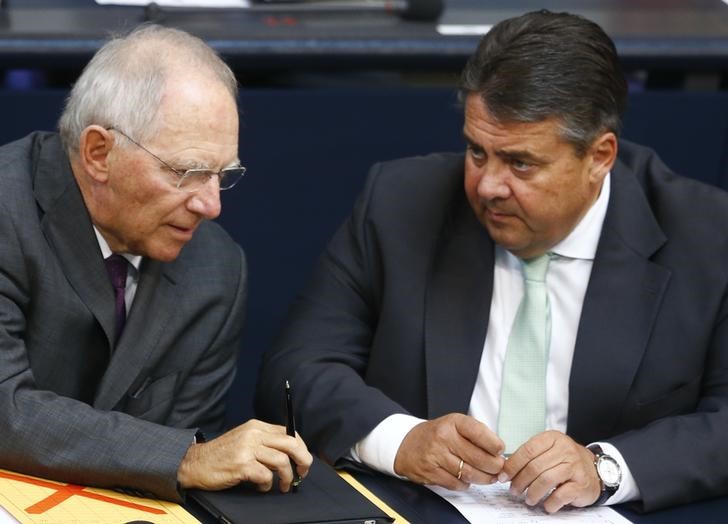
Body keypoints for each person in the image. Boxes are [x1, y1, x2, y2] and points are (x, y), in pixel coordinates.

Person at [255, 9, 728, 514]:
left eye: (520, 163)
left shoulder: (705, 235)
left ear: (600, 157)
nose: (487, 185)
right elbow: (294, 371)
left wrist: (607, 468)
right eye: (477, 152)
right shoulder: (401, 203)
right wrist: (404, 441)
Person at [0, 24, 311, 502]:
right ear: (99, 153)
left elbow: (186, 464)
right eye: (187, 173)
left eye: (221, 175)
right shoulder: (6, 210)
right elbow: (6, 410)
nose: (211, 206)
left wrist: (184, 460)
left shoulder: (217, 268)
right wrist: (183, 456)